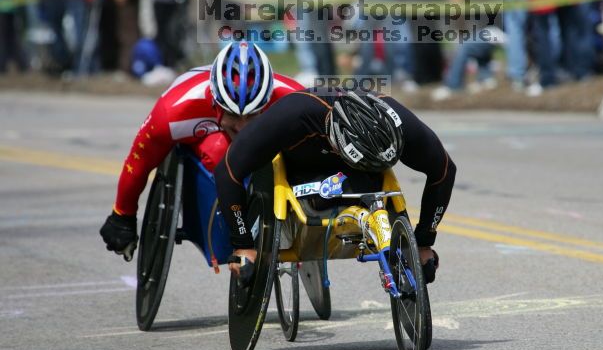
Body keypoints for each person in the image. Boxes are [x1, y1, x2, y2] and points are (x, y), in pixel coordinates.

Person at [214, 88, 456, 285]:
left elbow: (445, 171)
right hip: (302, 166)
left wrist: (424, 241)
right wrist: (243, 245)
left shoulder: (403, 124)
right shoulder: (292, 114)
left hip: (361, 174)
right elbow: (228, 172)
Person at [99, 41, 305, 260]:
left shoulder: (292, 97)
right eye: (234, 116)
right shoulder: (174, 110)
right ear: (215, 102)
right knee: (220, 152)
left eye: (253, 115)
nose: (243, 127)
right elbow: (139, 161)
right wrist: (123, 214)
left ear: (266, 103)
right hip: (207, 136)